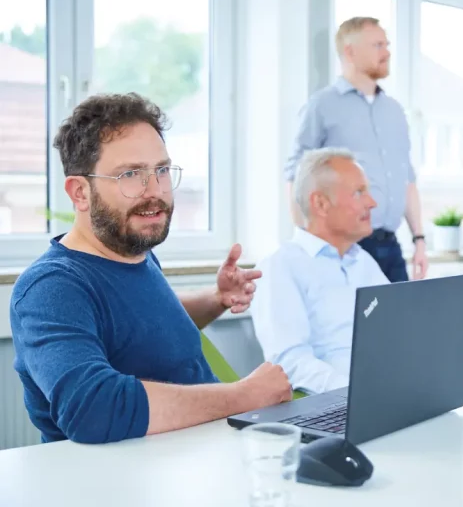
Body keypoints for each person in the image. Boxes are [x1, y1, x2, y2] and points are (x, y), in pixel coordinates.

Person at [10, 93, 292, 445]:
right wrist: (245, 396)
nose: (155, 191)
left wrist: (216, 298)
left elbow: (145, 327)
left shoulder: (133, 251)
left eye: (160, 170)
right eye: (130, 174)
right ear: (80, 192)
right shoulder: (51, 288)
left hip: (203, 459)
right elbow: (94, 410)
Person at [255, 148, 463, 394]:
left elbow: (401, 329)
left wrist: (450, 344)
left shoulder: (362, 262)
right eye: (359, 192)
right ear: (320, 202)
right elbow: (289, 361)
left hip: (409, 378)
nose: (372, 202)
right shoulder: (281, 266)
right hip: (367, 393)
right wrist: (353, 393)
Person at [284, 16, 428, 283]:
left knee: (403, 324)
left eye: (387, 44)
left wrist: (419, 239)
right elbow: (295, 175)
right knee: (346, 325)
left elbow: (406, 179)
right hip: (344, 247)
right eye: (377, 45)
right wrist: (308, 244)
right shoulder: (322, 106)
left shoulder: (395, 111)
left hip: (390, 247)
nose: (387, 52)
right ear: (349, 51)